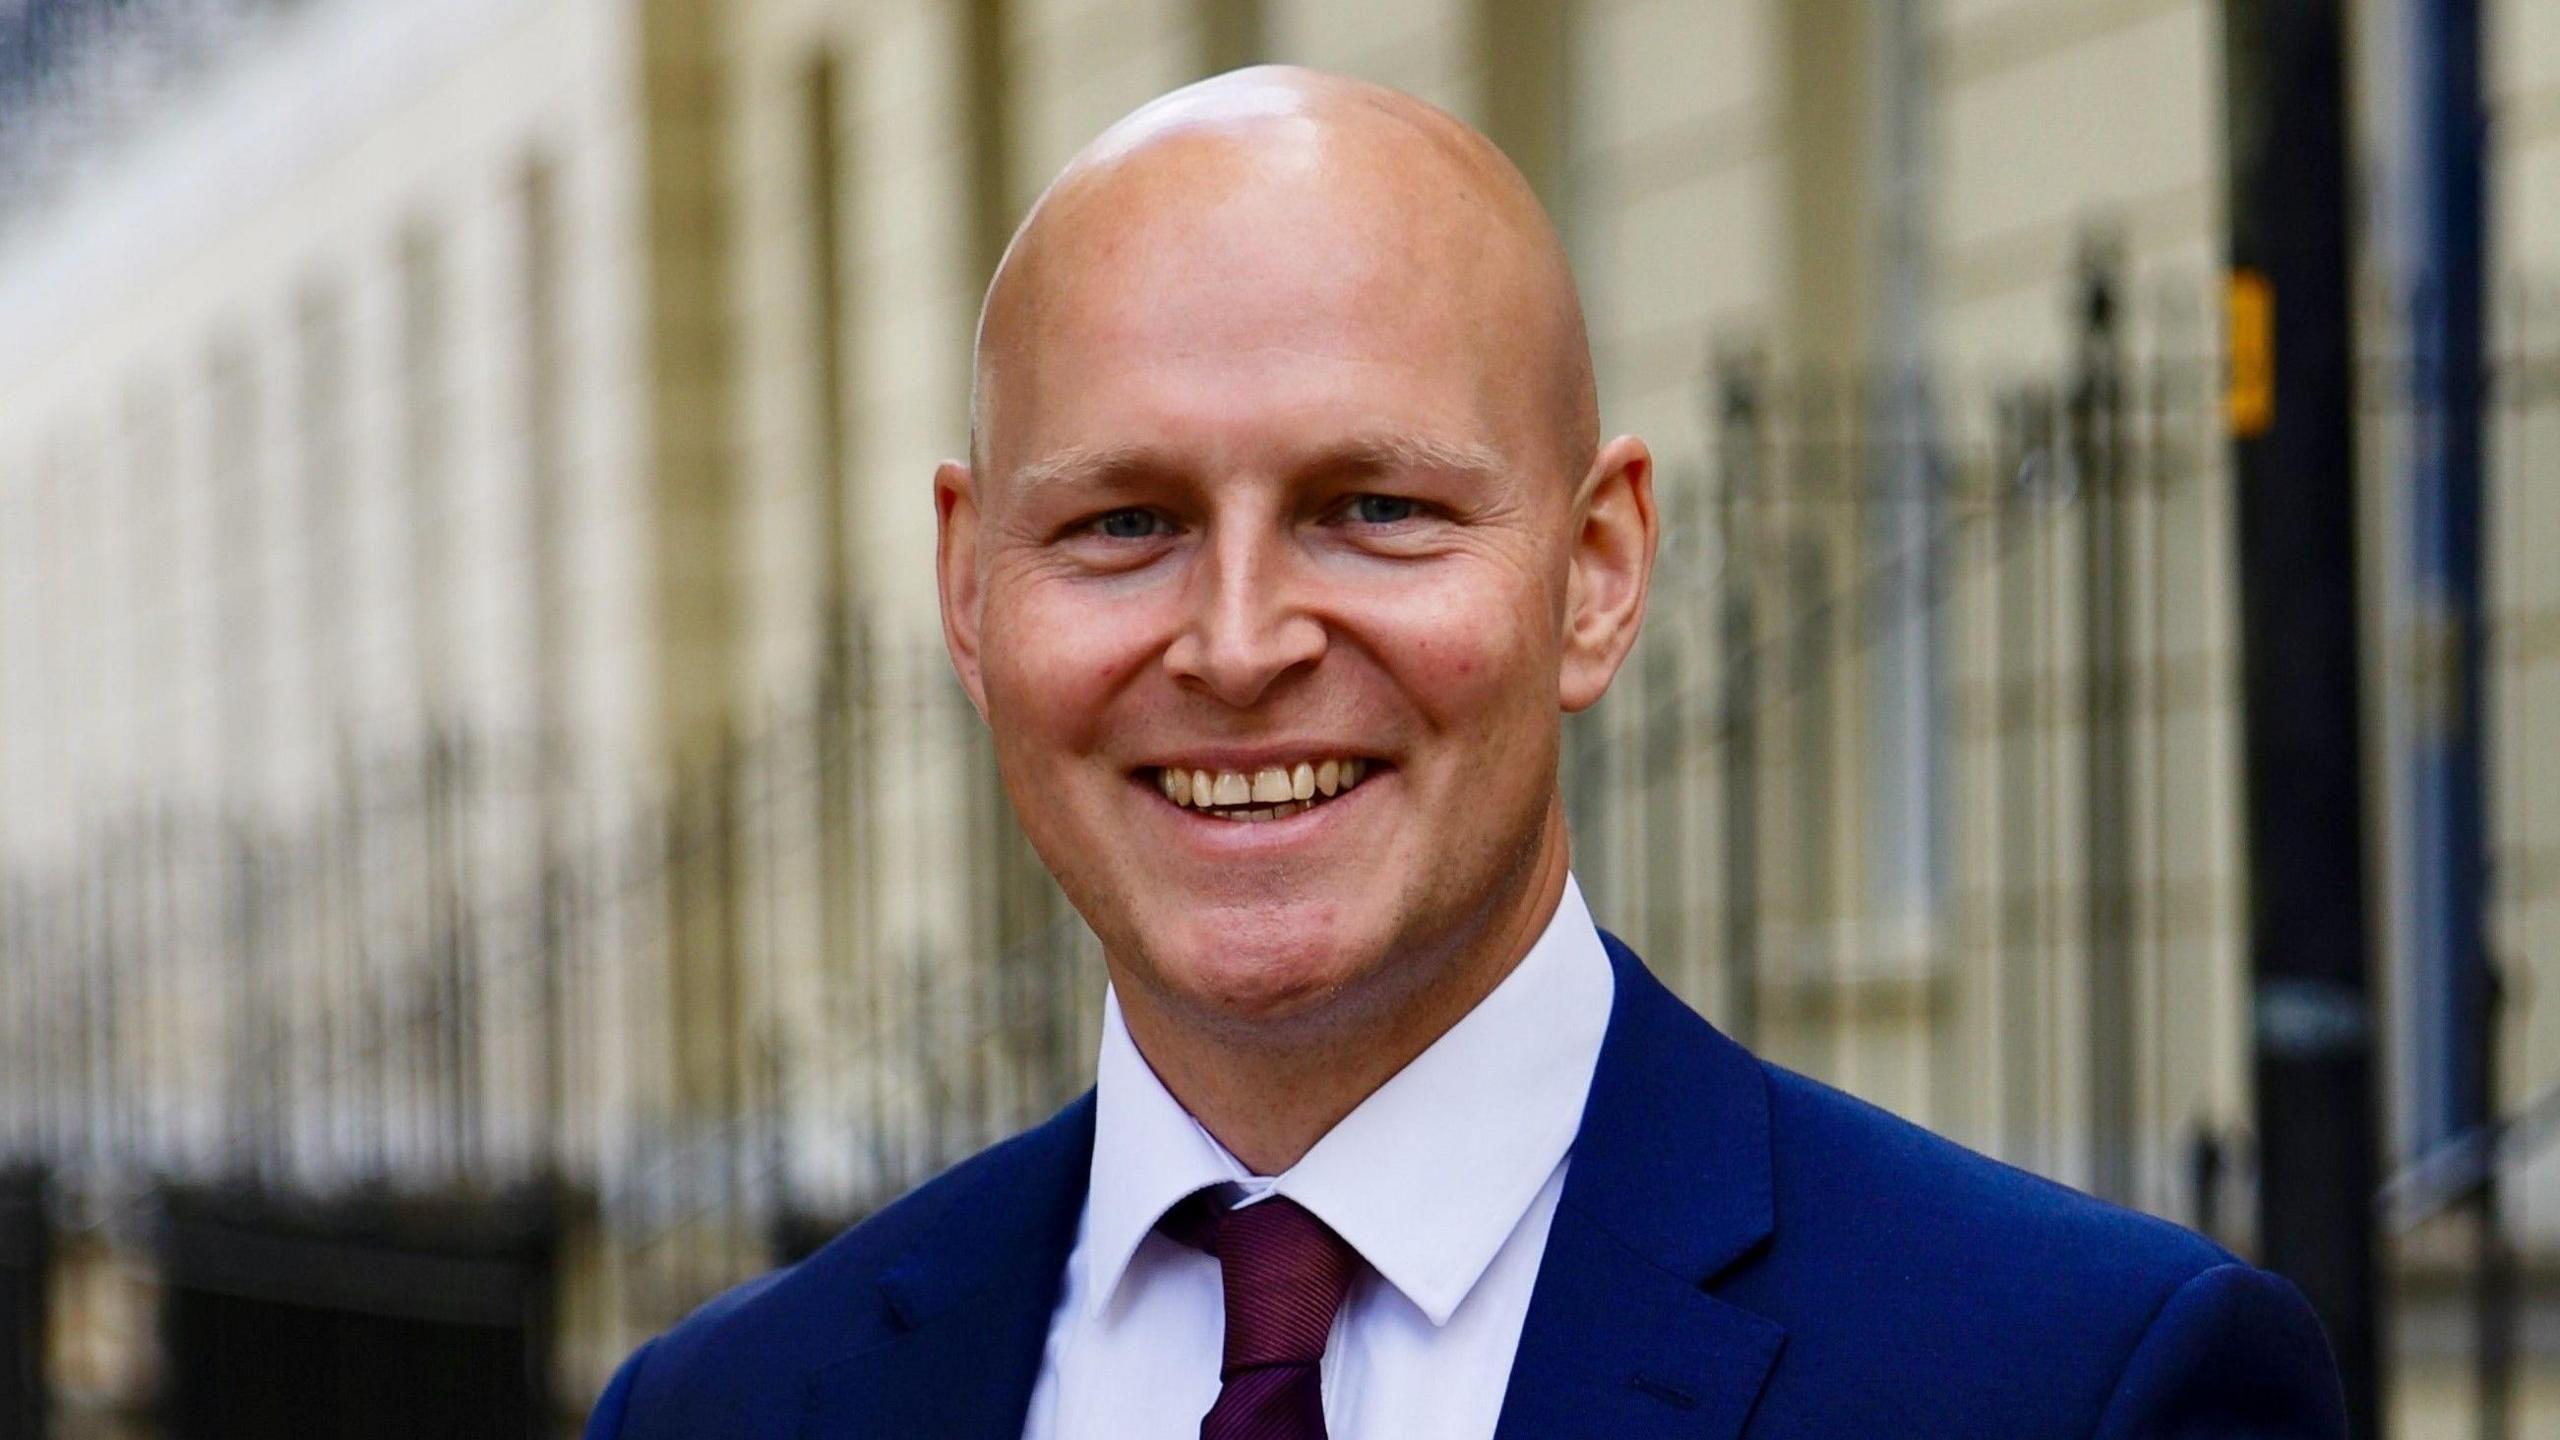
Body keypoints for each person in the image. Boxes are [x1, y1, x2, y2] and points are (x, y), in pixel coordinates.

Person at [583, 67, 2343, 1439]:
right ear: (971, 593)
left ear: (1598, 573)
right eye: (1126, 523)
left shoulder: (2070, 1393)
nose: (1242, 641)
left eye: (1374, 509)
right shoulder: (736, 1415)